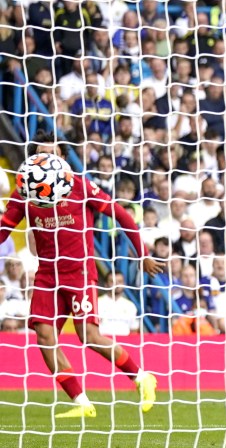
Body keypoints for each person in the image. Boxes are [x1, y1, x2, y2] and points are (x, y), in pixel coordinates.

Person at [0, 140, 162, 418]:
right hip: (48, 275)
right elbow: (4, 230)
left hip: (80, 272)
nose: (45, 157)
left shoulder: (80, 185)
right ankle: (81, 401)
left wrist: (142, 252)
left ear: (63, 159)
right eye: (41, 153)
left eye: (52, 153)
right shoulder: (25, 192)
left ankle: (141, 377)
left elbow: (120, 213)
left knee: (89, 335)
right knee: (44, 336)